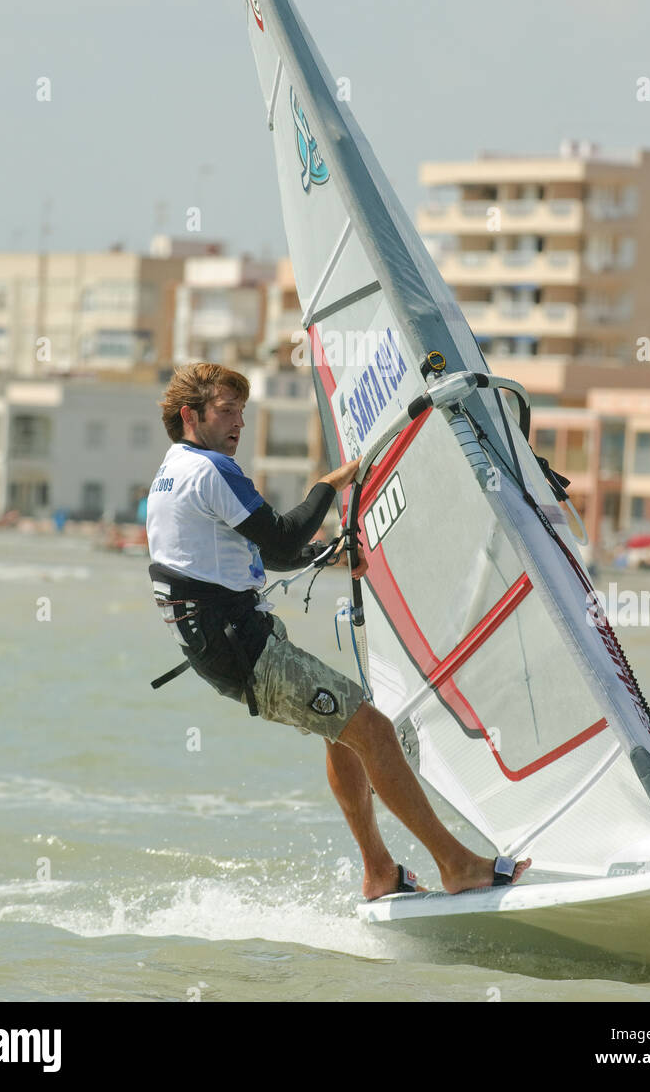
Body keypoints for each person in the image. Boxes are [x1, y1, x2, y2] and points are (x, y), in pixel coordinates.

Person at [145, 361, 530, 899]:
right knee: (372, 729)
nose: (238, 424)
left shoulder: (173, 470)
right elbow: (278, 542)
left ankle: (379, 873)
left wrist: (325, 554)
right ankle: (456, 864)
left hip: (226, 645)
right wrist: (328, 485)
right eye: (226, 412)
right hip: (241, 647)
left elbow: (257, 553)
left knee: (346, 734)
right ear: (191, 415)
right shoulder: (210, 470)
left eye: (242, 413)